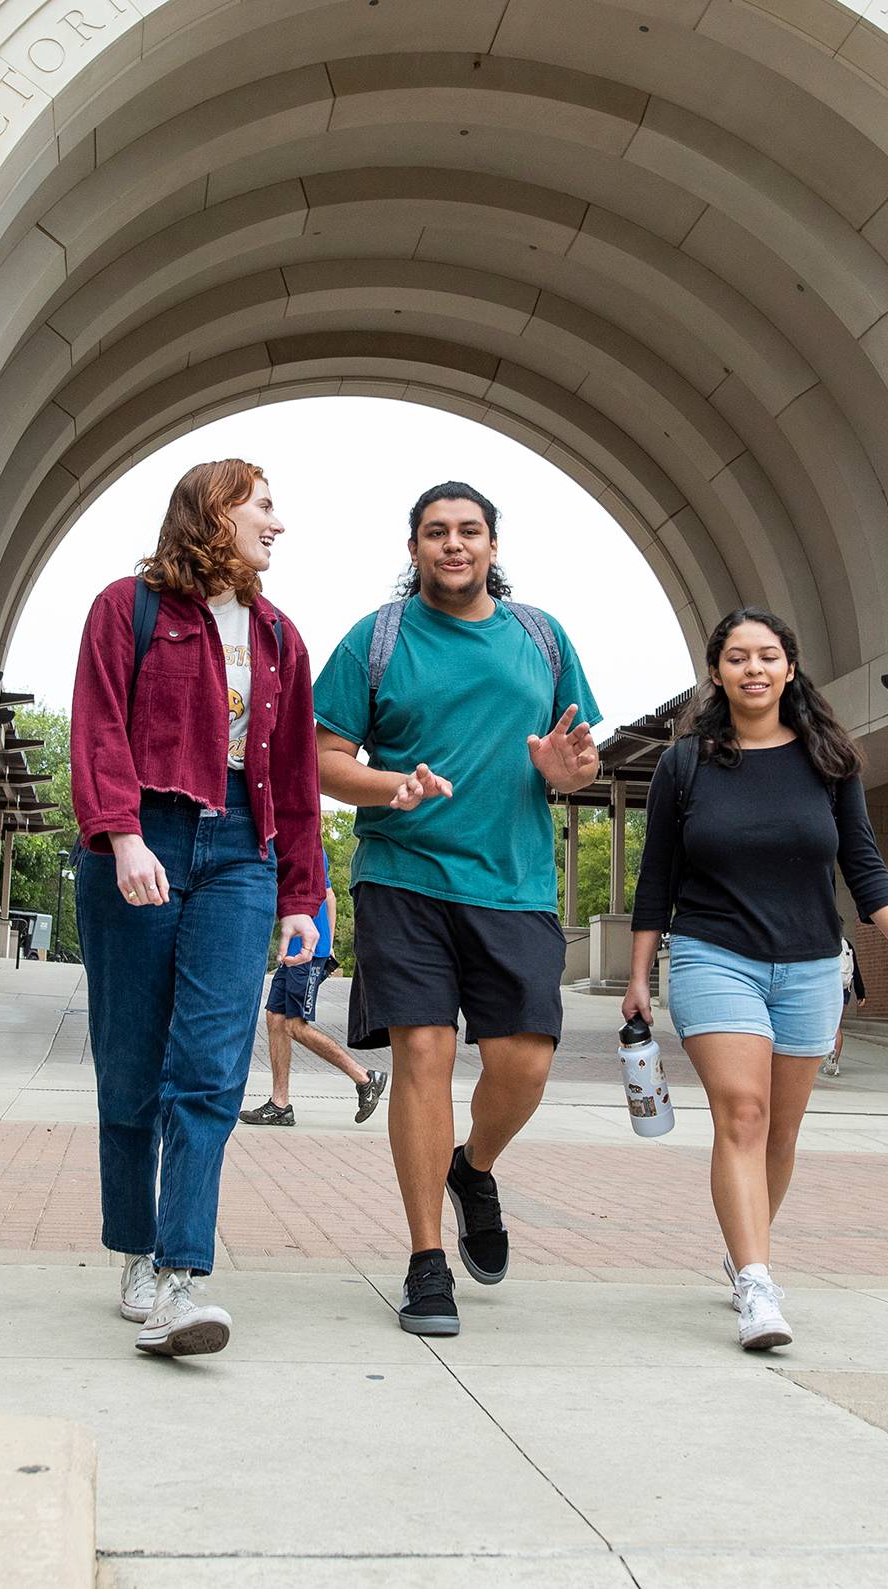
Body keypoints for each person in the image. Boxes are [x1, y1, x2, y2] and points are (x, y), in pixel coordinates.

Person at [313, 481, 602, 1337]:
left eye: (468, 531)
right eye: (435, 532)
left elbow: (578, 763)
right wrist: (390, 786)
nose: (453, 545)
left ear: (492, 544)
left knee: (523, 1066)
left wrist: (565, 768)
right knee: (424, 1052)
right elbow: (324, 760)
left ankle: (471, 1166)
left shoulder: (540, 639)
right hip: (403, 877)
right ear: (413, 548)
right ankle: (425, 1261)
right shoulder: (377, 638)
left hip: (512, 883)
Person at [625, 608, 888, 1352]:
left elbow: (860, 863)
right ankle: (757, 1284)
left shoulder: (828, 758)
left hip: (810, 964)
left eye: (768, 656)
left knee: (780, 1131)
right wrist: (639, 975)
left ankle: (744, 1246)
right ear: (716, 671)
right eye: (737, 657)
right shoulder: (686, 763)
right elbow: (655, 877)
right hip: (711, 954)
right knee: (742, 1112)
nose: (753, 669)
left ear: (789, 668)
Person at [70, 459, 324, 1358]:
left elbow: (293, 774)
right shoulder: (125, 607)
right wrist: (121, 832)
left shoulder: (277, 635)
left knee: (211, 1067)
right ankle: (134, 1250)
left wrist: (302, 895)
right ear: (214, 510)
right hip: (142, 838)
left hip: (239, 853)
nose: (276, 523)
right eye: (264, 504)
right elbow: (98, 724)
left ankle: (183, 1277)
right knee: (131, 1065)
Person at [240, 854, 389, 1126]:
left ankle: (365, 1079)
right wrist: (330, 943)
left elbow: (327, 894)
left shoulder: (306, 845)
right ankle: (280, 1104)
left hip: (308, 953)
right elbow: (329, 894)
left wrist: (323, 947)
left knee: (295, 1025)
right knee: (275, 1017)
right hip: (295, 952)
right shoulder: (297, 843)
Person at [822, 935, 865, 1078]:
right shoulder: (847, 944)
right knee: (837, 1026)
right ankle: (835, 1063)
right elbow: (855, 969)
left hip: (826, 987)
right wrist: (861, 993)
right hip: (844, 988)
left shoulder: (823, 940)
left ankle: (826, 1053)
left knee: (824, 1025)